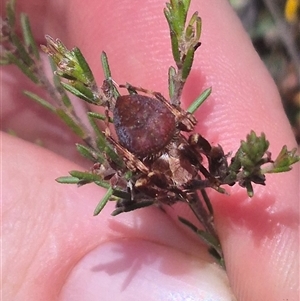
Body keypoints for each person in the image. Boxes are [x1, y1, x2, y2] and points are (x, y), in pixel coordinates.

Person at [2, 0, 299, 300]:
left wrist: (175, 126)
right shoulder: (158, 151)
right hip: (152, 135)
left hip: (158, 132)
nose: (187, 176)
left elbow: (170, 122)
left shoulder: (178, 141)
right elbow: (149, 147)